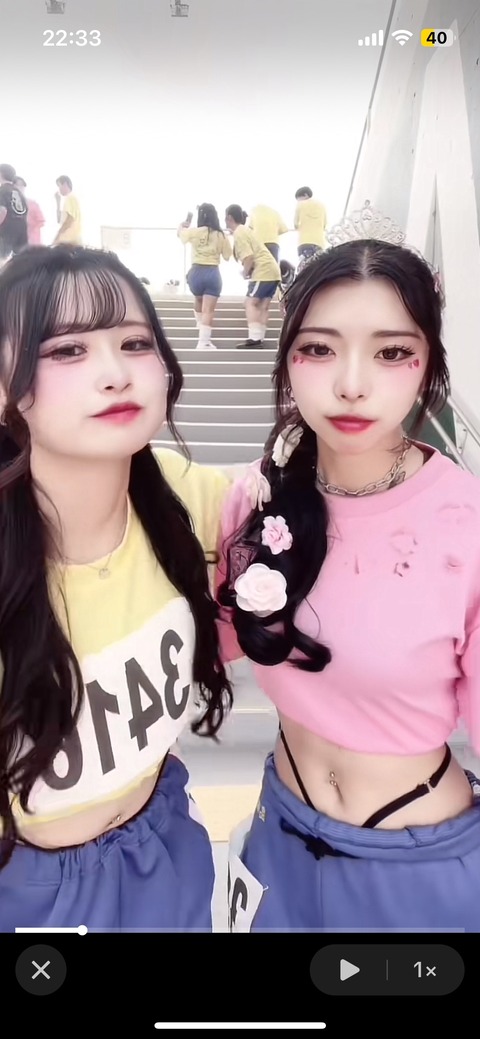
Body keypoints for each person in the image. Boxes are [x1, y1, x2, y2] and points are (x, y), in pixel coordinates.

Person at [216, 210, 480, 932]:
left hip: (415, 865)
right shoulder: (256, 498)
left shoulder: (467, 523)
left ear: (429, 365)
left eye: (392, 352)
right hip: (278, 835)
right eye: (318, 349)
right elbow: (207, 647)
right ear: (287, 361)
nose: (352, 384)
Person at [0, 244, 233, 932]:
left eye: (135, 342)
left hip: (164, 835)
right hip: (30, 885)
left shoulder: (186, 496)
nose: (114, 373)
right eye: (67, 350)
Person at [225, 205, 281, 350]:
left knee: (250, 303)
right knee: (263, 306)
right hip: (273, 270)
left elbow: (249, 257)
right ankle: (259, 337)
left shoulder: (239, 232)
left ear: (229, 218)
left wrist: (245, 273)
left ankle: (255, 338)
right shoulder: (245, 230)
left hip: (263, 271)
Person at [178, 203, 232, 351]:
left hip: (195, 272)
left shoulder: (193, 232)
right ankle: (203, 342)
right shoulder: (220, 235)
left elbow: (180, 235)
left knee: (198, 299)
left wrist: (182, 226)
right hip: (212, 273)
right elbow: (227, 256)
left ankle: (199, 325)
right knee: (208, 310)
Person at [0, 164, 28, 267]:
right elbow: (25, 210)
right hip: (22, 230)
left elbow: (2, 211)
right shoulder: (18, 192)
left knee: (2, 260)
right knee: (19, 262)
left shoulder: (2, 190)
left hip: (6, 231)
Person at [294, 186, 327, 268]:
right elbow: (325, 224)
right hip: (319, 243)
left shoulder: (300, 205)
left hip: (304, 242)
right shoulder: (322, 206)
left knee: (305, 268)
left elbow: (295, 224)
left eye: (299, 198)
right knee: (317, 268)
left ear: (305, 195)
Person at [14, 177, 46, 246]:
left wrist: (29, 227)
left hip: (32, 243)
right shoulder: (9, 205)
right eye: (16, 185)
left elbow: (41, 221)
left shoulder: (32, 203)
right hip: (15, 243)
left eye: (22, 185)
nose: (19, 187)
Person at [53, 175, 82, 246]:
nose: (59, 189)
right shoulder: (71, 198)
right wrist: (58, 202)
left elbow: (70, 219)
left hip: (69, 240)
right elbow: (59, 220)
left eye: (59, 186)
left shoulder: (70, 198)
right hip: (72, 240)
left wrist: (58, 235)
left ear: (65, 184)